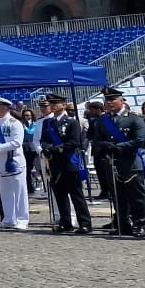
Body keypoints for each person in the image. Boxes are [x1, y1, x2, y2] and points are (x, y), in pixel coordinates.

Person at [93, 88, 145, 239]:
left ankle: (140, 224)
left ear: (121, 101)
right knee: (117, 196)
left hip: (131, 162)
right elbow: (96, 139)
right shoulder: (103, 120)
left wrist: (119, 147)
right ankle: (123, 223)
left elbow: (141, 139)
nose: (110, 102)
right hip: (111, 163)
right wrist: (104, 146)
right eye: (107, 100)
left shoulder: (134, 118)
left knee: (137, 197)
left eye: (113, 99)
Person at [37, 94, 91, 234]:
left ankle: (85, 223)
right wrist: (46, 147)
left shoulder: (72, 122)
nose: (53, 105)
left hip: (69, 161)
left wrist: (54, 149)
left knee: (76, 195)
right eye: (52, 103)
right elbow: (43, 140)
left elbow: (74, 142)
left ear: (64, 104)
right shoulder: (47, 123)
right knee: (59, 194)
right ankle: (65, 221)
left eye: (56, 103)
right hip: (54, 163)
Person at [0, 95, 28, 231]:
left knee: (19, 191)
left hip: (14, 161)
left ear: (4, 108)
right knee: (5, 191)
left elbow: (16, 142)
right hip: (0, 161)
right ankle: (9, 217)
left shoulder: (15, 123)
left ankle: (22, 219)